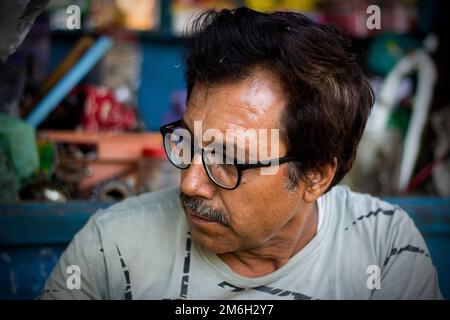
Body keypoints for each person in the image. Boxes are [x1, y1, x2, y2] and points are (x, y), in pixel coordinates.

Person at [41, 7, 442, 300]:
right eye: (189, 143)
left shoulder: (383, 246)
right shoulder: (112, 250)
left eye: (229, 159)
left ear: (314, 176)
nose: (190, 181)